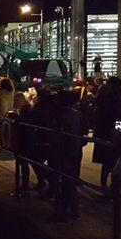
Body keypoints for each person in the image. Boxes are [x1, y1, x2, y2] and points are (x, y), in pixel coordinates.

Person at [52, 90, 88, 221]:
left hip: (63, 149)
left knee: (62, 180)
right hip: (76, 148)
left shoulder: (61, 115)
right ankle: (72, 210)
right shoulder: (78, 114)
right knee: (70, 180)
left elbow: (57, 131)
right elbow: (84, 130)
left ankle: (62, 211)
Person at [92, 76, 121, 190]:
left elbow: (117, 115)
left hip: (109, 130)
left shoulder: (110, 96)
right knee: (115, 157)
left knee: (111, 157)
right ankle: (118, 182)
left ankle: (110, 184)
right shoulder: (118, 94)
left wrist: (118, 131)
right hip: (111, 130)